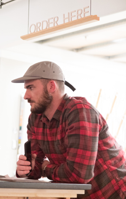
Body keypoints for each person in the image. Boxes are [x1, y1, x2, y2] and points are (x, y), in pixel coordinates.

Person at [12, 61, 126, 199]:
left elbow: (78, 175)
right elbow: (34, 167)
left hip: (115, 193)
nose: (26, 96)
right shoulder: (35, 119)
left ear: (51, 86)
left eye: (30, 88)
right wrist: (25, 170)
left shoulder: (79, 112)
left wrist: (44, 168)